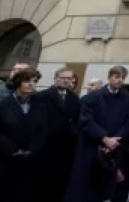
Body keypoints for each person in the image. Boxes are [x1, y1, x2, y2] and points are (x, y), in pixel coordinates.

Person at [63, 66, 129, 202]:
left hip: (113, 150)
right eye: (116, 76)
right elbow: (86, 120)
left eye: (122, 78)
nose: (119, 80)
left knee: (105, 190)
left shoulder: (128, 99)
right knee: (84, 187)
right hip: (91, 148)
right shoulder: (93, 97)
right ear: (109, 77)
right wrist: (104, 138)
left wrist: (114, 141)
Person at [0, 68, 48, 202]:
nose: (31, 84)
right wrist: (13, 150)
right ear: (18, 82)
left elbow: (43, 131)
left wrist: (32, 150)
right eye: (26, 81)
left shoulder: (40, 106)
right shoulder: (2, 104)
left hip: (28, 161)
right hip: (3, 159)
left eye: (34, 81)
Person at [38, 67, 81, 202]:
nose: (66, 81)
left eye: (69, 78)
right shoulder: (42, 96)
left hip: (66, 149)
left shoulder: (74, 98)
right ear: (56, 78)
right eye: (63, 78)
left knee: (61, 185)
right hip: (46, 147)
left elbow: (76, 121)